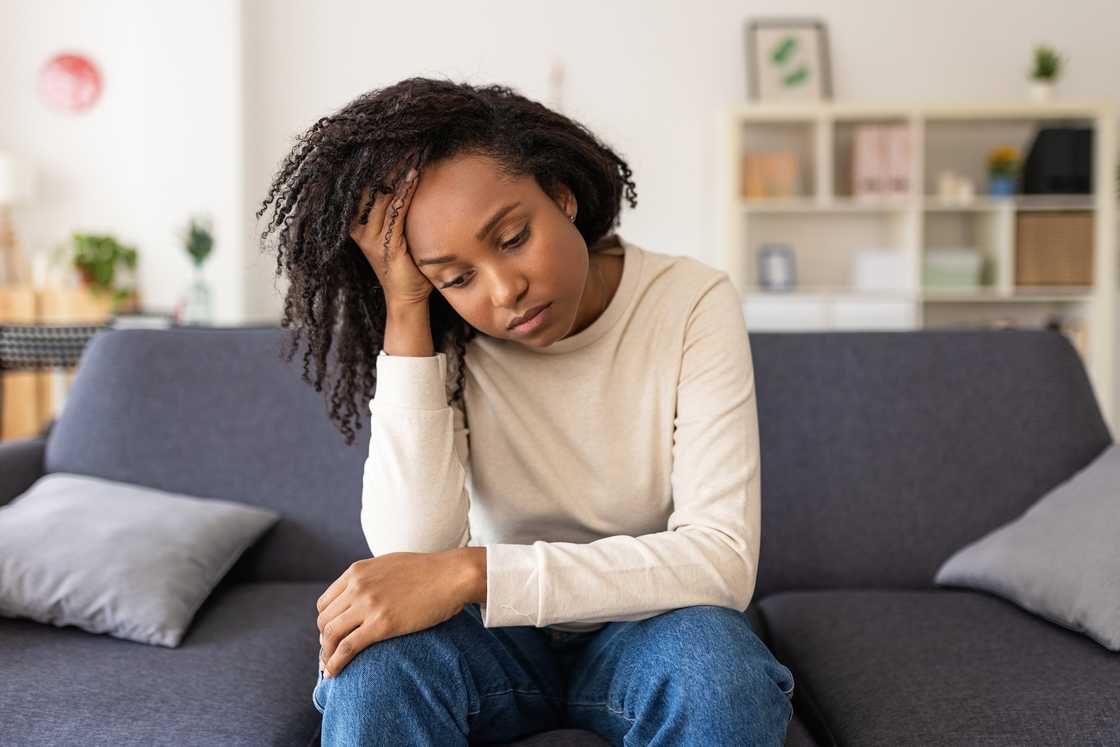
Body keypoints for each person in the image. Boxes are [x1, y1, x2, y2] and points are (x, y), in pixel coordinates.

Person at [255, 76, 795, 746]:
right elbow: (409, 553)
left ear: (560, 195)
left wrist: (471, 572)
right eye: (455, 277)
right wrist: (406, 307)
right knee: (375, 664)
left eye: (512, 237)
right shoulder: (445, 333)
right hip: (495, 639)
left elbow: (721, 560)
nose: (505, 290)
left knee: (719, 673)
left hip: (651, 623)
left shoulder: (690, 301)